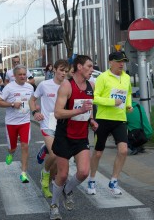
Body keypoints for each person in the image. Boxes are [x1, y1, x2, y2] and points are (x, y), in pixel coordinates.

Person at [49, 55, 98, 220]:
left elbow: (88, 106)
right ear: (79, 67)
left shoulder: (91, 85)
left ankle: (67, 190)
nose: (92, 69)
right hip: (65, 135)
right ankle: (54, 206)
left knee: (84, 172)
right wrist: (79, 111)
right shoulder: (66, 86)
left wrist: (91, 120)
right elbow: (57, 113)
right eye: (89, 66)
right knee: (62, 175)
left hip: (81, 135)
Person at [88, 51, 133, 196]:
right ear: (110, 62)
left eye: (123, 61)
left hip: (120, 119)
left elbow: (128, 94)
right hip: (103, 119)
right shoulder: (102, 77)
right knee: (98, 152)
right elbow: (94, 97)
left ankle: (114, 180)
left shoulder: (126, 77)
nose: (122, 64)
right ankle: (92, 179)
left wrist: (128, 105)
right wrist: (112, 102)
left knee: (123, 150)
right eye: (119, 61)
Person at [29, 59, 69, 198]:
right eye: (61, 70)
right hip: (47, 123)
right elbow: (32, 100)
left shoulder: (68, 86)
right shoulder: (44, 85)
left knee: (59, 160)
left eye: (66, 71)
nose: (63, 73)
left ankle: (51, 178)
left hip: (63, 124)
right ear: (54, 70)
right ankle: (45, 175)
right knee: (55, 154)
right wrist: (35, 113)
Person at [0, 64, 34, 183]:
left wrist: (35, 108)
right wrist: (12, 104)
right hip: (11, 123)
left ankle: (23, 173)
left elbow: (32, 101)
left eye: (24, 74)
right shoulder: (9, 87)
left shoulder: (30, 87)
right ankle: (11, 153)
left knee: (25, 146)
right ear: (15, 76)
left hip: (25, 121)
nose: (23, 76)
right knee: (13, 147)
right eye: (20, 75)